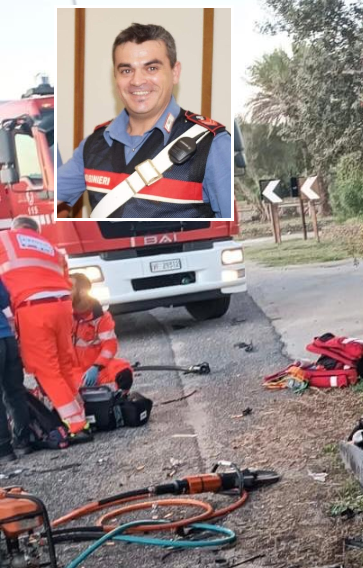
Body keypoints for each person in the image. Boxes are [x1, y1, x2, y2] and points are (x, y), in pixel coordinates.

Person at [57, 22, 232, 219]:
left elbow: (231, 230)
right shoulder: (93, 145)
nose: (137, 81)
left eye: (151, 68)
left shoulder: (212, 144)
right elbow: (45, 201)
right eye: (126, 70)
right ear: (115, 77)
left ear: (175, 72)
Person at [0, 216, 90, 443]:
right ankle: (82, 417)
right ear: (36, 231)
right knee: (64, 366)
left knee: (46, 370)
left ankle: (77, 426)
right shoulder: (51, 248)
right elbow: (67, 280)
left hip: (34, 309)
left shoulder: (5, 239)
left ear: (16, 228)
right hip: (63, 306)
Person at [71, 274, 133, 393]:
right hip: (72, 371)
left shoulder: (101, 318)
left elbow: (110, 345)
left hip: (97, 367)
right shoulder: (64, 316)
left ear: (82, 292)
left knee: (124, 373)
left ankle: (119, 400)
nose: (65, 292)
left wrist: (96, 366)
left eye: (70, 288)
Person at [0, 280, 31, 462]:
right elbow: (4, 299)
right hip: (7, 338)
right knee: (15, 392)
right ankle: (23, 441)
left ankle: (4, 449)